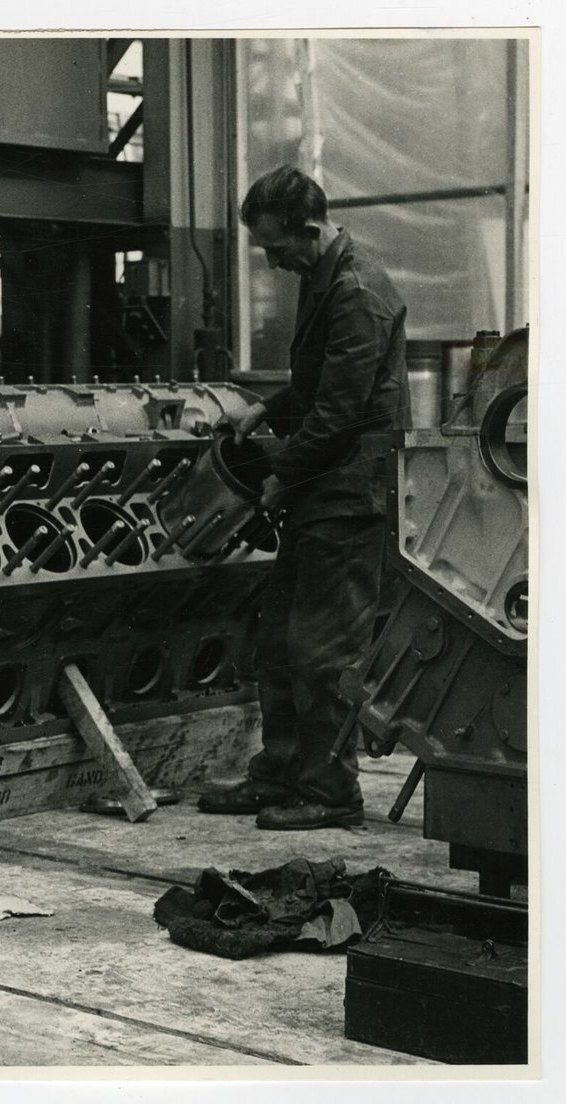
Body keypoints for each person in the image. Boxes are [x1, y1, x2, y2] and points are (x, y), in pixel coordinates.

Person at [201, 166, 405, 831]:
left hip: (347, 495)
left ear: (310, 230)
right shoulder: (324, 276)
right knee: (281, 640)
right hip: (321, 489)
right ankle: (282, 772)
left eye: (274, 246)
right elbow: (316, 385)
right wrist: (264, 409)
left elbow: (340, 414)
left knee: (323, 650)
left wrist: (278, 476)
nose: (270, 261)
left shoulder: (357, 292)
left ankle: (329, 792)